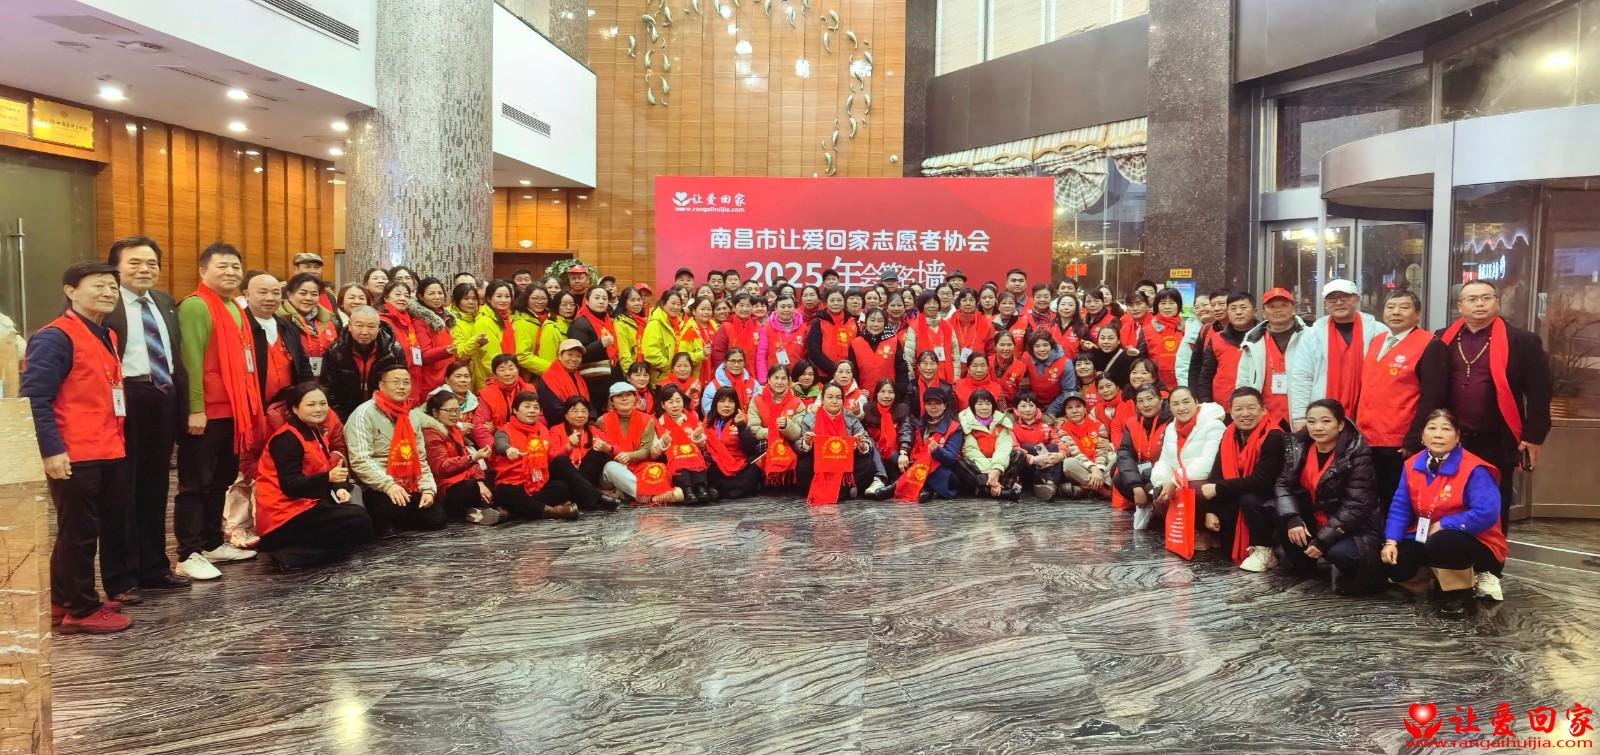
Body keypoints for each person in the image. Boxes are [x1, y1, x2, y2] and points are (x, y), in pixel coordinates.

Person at [22, 262, 136, 632]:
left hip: (108, 446)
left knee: (83, 529)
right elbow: (34, 399)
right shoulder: (54, 337)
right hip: (74, 451)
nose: (108, 292)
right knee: (79, 533)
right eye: (98, 285)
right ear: (70, 291)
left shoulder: (107, 334)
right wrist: (51, 450)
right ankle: (82, 610)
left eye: (112, 287)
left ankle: (62, 598)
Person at [103, 237, 190, 594]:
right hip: (124, 399)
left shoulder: (165, 302)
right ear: (116, 268)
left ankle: (154, 568)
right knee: (121, 490)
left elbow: (176, 357)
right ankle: (122, 578)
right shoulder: (107, 304)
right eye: (135, 263)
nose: (145, 269)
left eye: (151, 263)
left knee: (156, 487)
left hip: (162, 395)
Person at [174, 243, 261, 581]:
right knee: (195, 484)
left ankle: (211, 543)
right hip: (207, 413)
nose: (230, 272)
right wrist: (195, 408)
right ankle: (187, 552)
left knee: (220, 479)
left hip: (232, 412)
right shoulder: (196, 306)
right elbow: (191, 361)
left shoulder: (234, 306)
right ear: (203, 271)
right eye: (222, 266)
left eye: (235, 266)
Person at [1437, 279, 1552, 534]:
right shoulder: (1442, 338)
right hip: (1451, 436)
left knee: (1494, 501)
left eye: (1486, 297)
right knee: (1449, 497)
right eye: (1472, 299)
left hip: (1495, 437)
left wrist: (1533, 436)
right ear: (1460, 306)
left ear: (1496, 302)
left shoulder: (1522, 341)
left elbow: (1540, 392)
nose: (1480, 303)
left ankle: (1491, 555)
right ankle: (1452, 553)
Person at [1382, 409, 1508, 618]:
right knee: (1396, 563)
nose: (1438, 434)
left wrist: (1446, 524)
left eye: (1446, 429)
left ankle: (1459, 593)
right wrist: (1391, 541)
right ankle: (1436, 577)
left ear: (1457, 436)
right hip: (1426, 534)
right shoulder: (1411, 465)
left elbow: (1487, 512)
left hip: (1474, 541)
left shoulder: (1474, 469)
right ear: (1422, 436)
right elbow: (1400, 507)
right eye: (1432, 428)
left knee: (1444, 542)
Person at [253, 383, 374, 569]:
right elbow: (290, 486)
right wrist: (328, 478)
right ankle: (290, 555)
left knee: (364, 521)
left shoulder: (315, 431)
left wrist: (338, 488)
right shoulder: (286, 439)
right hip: (282, 518)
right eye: (311, 404)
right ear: (295, 408)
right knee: (357, 521)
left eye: (323, 403)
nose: (318, 409)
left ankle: (302, 552)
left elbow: (323, 470)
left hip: (307, 504)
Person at [1274, 398, 1383, 594]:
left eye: (1326, 421)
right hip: (1315, 516)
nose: (1318, 427)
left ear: (1340, 424)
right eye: (1311, 421)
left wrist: (1323, 540)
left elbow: (1356, 505)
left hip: (1353, 526)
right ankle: (1305, 569)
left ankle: (1353, 573)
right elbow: (1283, 484)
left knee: (1339, 553)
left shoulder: (1356, 452)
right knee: (1280, 512)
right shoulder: (1299, 446)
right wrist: (1292, 517)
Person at [1356, 291, 1448, 508]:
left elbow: (1433, 398)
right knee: (1373, 499)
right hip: (1368, 436)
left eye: (1404, 307)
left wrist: (1414, 438)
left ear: (1417, 314)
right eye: (1390, 307)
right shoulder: (1378, 340)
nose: (1396, 312)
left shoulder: (1430, 344)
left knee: (1397, 501)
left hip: (1399, 441)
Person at [345, 364, 446, 533]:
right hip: (376, 485)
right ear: (381, 385)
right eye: (396, 382)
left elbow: (420, 458)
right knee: (391, 508)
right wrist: (388, 485)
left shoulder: (412, 416)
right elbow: (361, 460)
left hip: (409, 483)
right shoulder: (364, 414)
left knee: (436, 518)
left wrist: (428, 489)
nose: (401, 386)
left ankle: (398, 519)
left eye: (406, 382)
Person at [1200, 388, 1287, 571]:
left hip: (1269, 495)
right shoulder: (1229, 433)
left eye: (1251, 408)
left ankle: (1264, 549)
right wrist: (1210, 510)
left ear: (1263, 410)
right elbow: (1216, 474)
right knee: (1199, 490)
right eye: (1238, 409)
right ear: (1231, 412)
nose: (1245, 413)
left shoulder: (1273, 435)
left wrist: (1218, 489)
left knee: (1249, 498)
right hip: (1240, 490)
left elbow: (1262, 481)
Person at [1288, 279, 1382, 429]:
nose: (1338, 302)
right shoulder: (1312, 334)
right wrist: (1299, 417)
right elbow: (1302, 377)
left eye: (1345, 297)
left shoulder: (1379, 331)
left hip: (1368, 413)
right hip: (1323, 417)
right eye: (1332, 299)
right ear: (1325, 303)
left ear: (1356, 299)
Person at [793, 382, 893, 501]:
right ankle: (845, 491)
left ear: (843, 400)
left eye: (838, 398)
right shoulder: (809, 419)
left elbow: (867, 441)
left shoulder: (850, 418)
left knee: (868, 464)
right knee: (803, 466)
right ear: (822, 399)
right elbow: (799, 445)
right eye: (830, 397)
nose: (834, 401)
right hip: (820, 463)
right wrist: (807, 442)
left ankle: (831, 490)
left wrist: (861, 445)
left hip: (845, 463)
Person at [1147, 387, 1226, 532]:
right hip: (1181, 480)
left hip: (1206, 480)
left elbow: (1207, 464)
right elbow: (1164, 461)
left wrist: (1174, 481)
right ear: (1170, 407)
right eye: (1175, 404)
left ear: (1196, 402)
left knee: (1195, 490)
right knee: (1158, 495)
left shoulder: (1214, 425)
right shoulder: (1171, 428)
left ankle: (1202, 532)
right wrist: (1162, 482)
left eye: (1186, 402)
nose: (1181, 408)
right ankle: (1184, 534)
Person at [491, 392, 580, 520]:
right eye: (527, 407)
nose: (532, 411)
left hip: (537, 483)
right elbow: (500, 444)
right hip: (513, 483)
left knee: (561, 487)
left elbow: (550, 457)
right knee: (504, 493)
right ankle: (555, 512)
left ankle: (511, 513)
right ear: (515, 410)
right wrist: (508, 449)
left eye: (536, 407)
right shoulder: (504, 430)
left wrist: (569, 446)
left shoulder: (543, 430)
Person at [419, 390, 501, 525]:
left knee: (493, 477)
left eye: (457, 410)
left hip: (462, 477)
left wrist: (480, 481)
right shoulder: (430, 434)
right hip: (445, 486)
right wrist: (472, 459)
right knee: (469, 487)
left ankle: (476, 511)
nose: (454, 415)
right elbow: (441, 468)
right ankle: (472, 511)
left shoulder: (454, 429)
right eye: (449, 411)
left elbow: (465, 455)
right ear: (434, 412)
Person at [242, 271, 313, 409]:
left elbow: (303, 366)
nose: (270, 298)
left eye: (276, 293)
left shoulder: (288, 327)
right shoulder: (238, 325)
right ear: (247, 294)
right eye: (263, 292)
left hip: (286, 407)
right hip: (252, 406)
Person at [320, 306, 406, 420]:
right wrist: (341, 418)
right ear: (350, 325)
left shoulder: (393, 351)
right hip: (344, 413)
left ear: (378, 327)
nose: (364, 332)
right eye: (359, 325)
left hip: (383, 413)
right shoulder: (335, 351)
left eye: (371, 326)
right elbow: (329, 389)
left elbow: (399, 386)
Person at [1234, 288, 1304, 429]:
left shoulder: (1309, 337)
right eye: (1271, 306)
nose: (1278, 310)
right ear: (1263, 313)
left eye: (1283, 305)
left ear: (1293, 309)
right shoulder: (1252, 341)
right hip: (1264, 415)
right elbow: (1243, 380)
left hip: (1301, 415)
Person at [549, 394, 623, 511]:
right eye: (575, 411)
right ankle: (598, 497)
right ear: (566, 415)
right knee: (561, 459)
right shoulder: (556, 430)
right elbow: (551, 457)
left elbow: (618, 449)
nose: (580, 415)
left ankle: (581, 496)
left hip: (585, 475)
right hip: (564, 476)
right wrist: (568, 446)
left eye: (584, 411)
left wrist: (607, 448)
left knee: (598, 453)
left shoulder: (593, 430)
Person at [654, 384, 717, 503]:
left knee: (706, 460)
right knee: (680, 461)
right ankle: (687, 490)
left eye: (678, 401)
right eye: (670, 402)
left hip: (693, 456)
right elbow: (653, 453)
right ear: (662, 404)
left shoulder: (692, 417)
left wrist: (697, 437)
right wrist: (663, 443)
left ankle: (701, 488)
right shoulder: (656, 421)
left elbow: (702, 446)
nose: (675, 405)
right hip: (671, 459)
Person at [596, 382, 658, 504]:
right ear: (611, 401)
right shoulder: (602, 421)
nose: (624, 398)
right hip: (611, 473)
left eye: (628, 395)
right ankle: (646, 495)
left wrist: (628, 456)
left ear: (635, 398)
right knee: (611, 467)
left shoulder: (647, 420)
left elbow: (646, 451)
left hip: (638, 468)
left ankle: (623, 493)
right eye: (619, 396)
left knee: (659, 469)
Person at [956, 388, 1023, 500]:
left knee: (1019, 455)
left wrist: (996, 469)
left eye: (988, 404)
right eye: (979, 404)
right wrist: (990, 472)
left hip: (999, 464)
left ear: (993, 406)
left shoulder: (1001, 421)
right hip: (979, 465)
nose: (984, 408)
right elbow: (971, 451)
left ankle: (998, 487)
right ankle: (1001, 491)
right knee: (960, 463)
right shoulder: (965, 423)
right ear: (972, 406)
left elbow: (1003, 448)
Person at [1113, 386, 1171, 511]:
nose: (1146, 404)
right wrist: (1135, 486)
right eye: (1140, 401)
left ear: (1160, 399)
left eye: (1150, 399)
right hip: (1144, 471)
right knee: (1120, 478)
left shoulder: (1171, 420)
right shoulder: (1132, 422)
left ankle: (1160, 510)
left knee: (1149, 484)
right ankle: (1150, 508)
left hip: (1165, 473)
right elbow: (1125, 453)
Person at [747, 364, 804, 488]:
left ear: (788, 381)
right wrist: (772, 433)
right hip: (766, 440)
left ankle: (787, 480)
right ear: (768, 380)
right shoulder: (757, 400)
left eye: (783, 378)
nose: (779, 382)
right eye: (776, 378)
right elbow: (753, 428)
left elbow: (799, 432)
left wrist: (787, 425)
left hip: (789, 441)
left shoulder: (797, 402)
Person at [1195, 292, 1257, 405]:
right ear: (1228, 312)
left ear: (1255, 311)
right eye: (1233, 308)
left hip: (1256, 405)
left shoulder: (1264, 337)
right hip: (1222, 406)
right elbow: (1205, 377)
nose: (1238, 312)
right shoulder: (1216, 339)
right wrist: (1207, 405)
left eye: (1243, 307)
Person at [704, 387, 764, 498]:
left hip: (739, 466)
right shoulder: (707, 422)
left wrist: (741, 426)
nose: (726, 405)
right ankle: (732, 489)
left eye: (731, 402)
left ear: (736, 405)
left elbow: (750, 448)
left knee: (754, 469)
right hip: (717, 464)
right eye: (722, 401)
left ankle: (719, 490)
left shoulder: (743, 419)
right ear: (715, 403)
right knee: (707, 465)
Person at [567, 285, 623, 401]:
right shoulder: (580, 323)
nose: (601, 301)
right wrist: (601, 344)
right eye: (597, 298)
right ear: (587, 301)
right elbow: (578, 354)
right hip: (592, 382)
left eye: (604, 298)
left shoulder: (608, 320)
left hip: (608, 377)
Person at [280, 272, 340, 378]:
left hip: (324, 382)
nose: (308, 298)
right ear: (289, 294)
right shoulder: (280, 321)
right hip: (292, 381)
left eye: (314, 294)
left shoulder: (328, 320)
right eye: (303, 293)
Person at [1002, 331, 1075, 417]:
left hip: (1056, 406)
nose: (1042, 349)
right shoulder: (1025, 358)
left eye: (1045, 345)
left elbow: (1068, 392)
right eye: (1037, 346)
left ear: (1051, 346)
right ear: (1031, 349)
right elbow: (1021, 388)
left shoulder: (1065, 364)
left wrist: (1051, 412)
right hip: (1031, 405)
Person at [1056, 392, 1112, 499]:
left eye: (1078, 406)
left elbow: (1102, 451)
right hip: (1080, 465)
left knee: (1113, 456)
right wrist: (1093, 468)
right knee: (1068, 463)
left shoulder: (1098, 425)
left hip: (1099, 464)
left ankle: (1087, 488)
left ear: (1085, 408)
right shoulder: (1062, 429)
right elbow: (1074, 452)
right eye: (1069, 408)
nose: (1074, 411)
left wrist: (1099, 470)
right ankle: (1102, 490)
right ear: (1065, 411)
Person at [1012, 393, 1065, 500]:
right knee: (1028, 447)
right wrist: (1035, 459)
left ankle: (1049, 484)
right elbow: (1014, 448)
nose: (1028, 410)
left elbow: (1057, 441)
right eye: (1023, 406)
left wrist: (1061, 454)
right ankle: (1050, 483)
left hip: (1046, 464)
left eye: (1031, 405)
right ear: (1016, 409)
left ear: (1036, 408)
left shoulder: (1046, 424)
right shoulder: (1012, 427)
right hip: (1027, 466)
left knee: (1053, 447)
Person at [410, 277, 459, 391]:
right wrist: (445, 351)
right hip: (432, 380)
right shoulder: (420, 321)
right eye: (431, 293)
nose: (437, 297)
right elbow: (424, 355)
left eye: (440, 293)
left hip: (448, 376)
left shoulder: (445, 316)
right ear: (420, 296)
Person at [469, 280, 520, 389]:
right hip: (493, 381)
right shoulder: (484, 321)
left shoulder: (506, 317)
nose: (504, 300)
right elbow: (490, 359)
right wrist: (505, 377)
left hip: (508, 376)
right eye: (499, 296)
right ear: (488, 298)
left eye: (507, 296)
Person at [904, 292, 959, 382]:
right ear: (921, 305)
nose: (932, 306)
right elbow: (908, 358)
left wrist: (956, 378)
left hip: (947, 377)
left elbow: (955, 356)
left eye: (935, 303)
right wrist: (911, 380)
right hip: (922, 378)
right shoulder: (914, 328)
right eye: (928, 303)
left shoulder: (948, 327)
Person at [803, 287, 855, 379]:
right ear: (826, 303)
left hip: (848, 374)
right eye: (832, 300)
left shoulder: (852, 322)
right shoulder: (818, 322)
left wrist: (847, 371)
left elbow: (856, 350)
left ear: (844, 302)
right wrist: (835, 370)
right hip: (824, 375)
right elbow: (814, 352)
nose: (836, 303)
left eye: (839, 300)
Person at [641, 288, 690, 383]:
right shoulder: (654, 324)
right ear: (663, 304)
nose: (676, 307)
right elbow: (651, 354)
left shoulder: (681, 323)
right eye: (673, 303)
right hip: (661, 378)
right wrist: (670, 366)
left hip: (678, 376)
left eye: (678, 304)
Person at [537, 338, 593, 420]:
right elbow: (552, 410)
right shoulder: (549, 378)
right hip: (560, 423)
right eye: (570, 355)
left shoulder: (579, 377)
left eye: (578, 356)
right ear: (560, 356)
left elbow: (589, 404)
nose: (574, 359)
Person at [756, 295, 806, 382]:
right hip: (774, 378)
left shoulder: (804, 328)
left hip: (797, 378)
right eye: (782, 307)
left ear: (795, 308)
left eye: (789, 306)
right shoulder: (766, 329)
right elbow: (761, 356)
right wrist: (763, 379)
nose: (786, 310)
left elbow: (806, 355)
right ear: (776, 308)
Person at [1142, 288, 1186, 388]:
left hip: (1181, 382)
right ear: (1156, 306)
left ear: (1179, 305)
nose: (1167, 307)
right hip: (1154, 384)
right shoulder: (1146, 330)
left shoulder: (1187, 329)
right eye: (1162, 303)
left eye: (1171, 303)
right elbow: (1142, 360)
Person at [529, 290, 578, 378]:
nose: (569, 307)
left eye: (572, 304)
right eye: (564, 305)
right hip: (558, 376)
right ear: (556, 306)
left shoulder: (575, 324)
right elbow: (548, 360)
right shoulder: (551, 327)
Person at [1174, 291, 1216, 388]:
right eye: (1197, 307)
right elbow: (1183, 364)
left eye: (1205, 305)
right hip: (1198, 385)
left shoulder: (1225, 328)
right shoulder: (1189, 333)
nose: (1201, 309)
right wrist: (1186, 389)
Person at [701, 346, 757, 416]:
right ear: (725, 362)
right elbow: (708, 411)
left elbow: (758, 409)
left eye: (740, 361)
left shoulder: (753, 383)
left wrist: (745, 419)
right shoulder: (714, 386)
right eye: (732, 361)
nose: (736, 365)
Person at [448, 283, 486, 384]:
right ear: (456, 300)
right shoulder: (452, 321)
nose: (471, 302)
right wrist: (476, 341)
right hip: (463, 375)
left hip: (480, 372)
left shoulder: (479, 317)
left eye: (474, 299)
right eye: (466, 298)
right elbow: (459, 353)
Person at [614, 285, 650, 376]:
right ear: (624, 303)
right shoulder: (620, 323)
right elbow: (624, 354)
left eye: (639, 299)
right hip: (632, 373)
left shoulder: (645, 321)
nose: (637, 303)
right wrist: (631, 375)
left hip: (646, 371)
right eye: (632, 300)